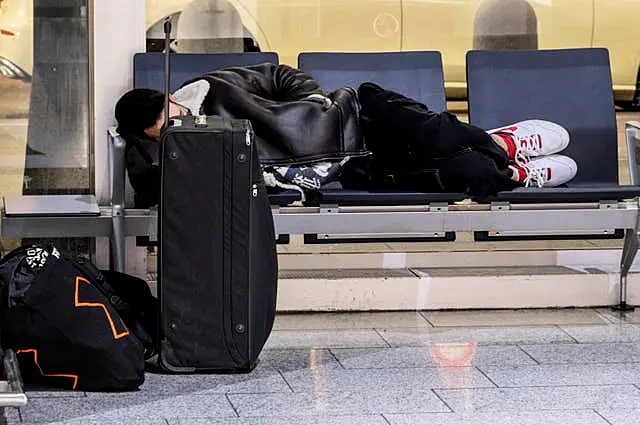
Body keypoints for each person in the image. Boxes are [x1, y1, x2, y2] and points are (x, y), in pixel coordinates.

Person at [114, 64, 577, 208]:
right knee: (459, 176)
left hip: (357, 114)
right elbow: (149, 189)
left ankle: (505, 144)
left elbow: (278, 75)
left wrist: (315, 99)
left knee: (437, 135)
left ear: (171, 96)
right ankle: (512, 174)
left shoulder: (210, 87)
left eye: (170, 108)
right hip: (352, 168)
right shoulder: (189, 152)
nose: (176, 118)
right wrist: (148, 145)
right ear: (149, 136)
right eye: (163, 125)